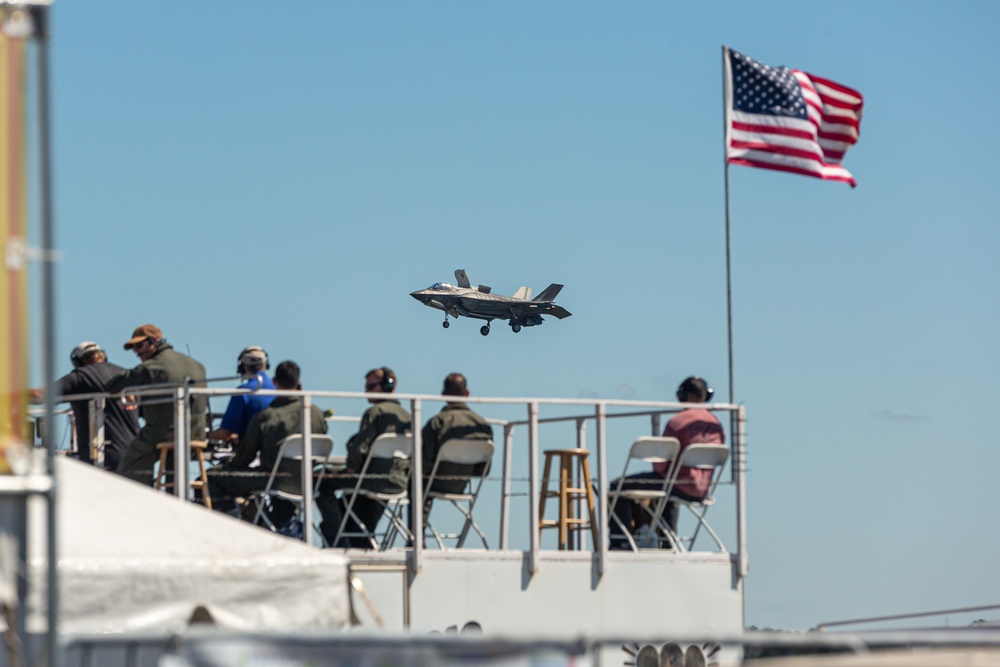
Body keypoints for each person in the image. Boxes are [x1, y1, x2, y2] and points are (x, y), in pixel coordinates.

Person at [608, 376, 726, 549]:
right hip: (703, 489)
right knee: (667, 490)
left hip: (677, 485)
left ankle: (621, 542)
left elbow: (661, 464)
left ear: (683, 396)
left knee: (617, 486)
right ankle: (667, 542)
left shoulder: (677, 422)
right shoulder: (716, 424)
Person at [208, 360, 327, 529]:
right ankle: (270, 523)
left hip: (272, 480)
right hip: (304, 481)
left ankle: (230, 527)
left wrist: (231, 462)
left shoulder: (267, 416)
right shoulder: (316, 414)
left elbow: (244, 459)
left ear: (275, 382)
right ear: (298, 382)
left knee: (212, 477)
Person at [316, 367, 411, 548]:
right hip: (396, 482)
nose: (366, 391)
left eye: (371, 386)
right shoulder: (408, 416)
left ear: (386, 386)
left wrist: (351, 467)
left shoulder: (373, 413)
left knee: (320, 481)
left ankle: (336, 537)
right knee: (352, 496)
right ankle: (353, 534)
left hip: (370, 480)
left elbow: (360, 450)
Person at [106, 324, 208, 485]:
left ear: (155, 341)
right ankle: (174, 503)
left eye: (139, 345)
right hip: (196, 432)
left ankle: (141, 505)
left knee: (130, 466)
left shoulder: (151, 367)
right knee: (174, 475)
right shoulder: (197, 365)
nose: (137, 352)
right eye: (134, 348)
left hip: (164, 432)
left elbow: (113, 387)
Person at [29, 341, 139, 471]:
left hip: (104, 457)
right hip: (136, 453)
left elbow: (41, 395)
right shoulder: (126, 375)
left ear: (78, 361)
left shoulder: (81, 376)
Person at [417, 372, 493, 522]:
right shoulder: (482, 425)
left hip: (435, 484)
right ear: (467, 393)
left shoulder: (436, 423)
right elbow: (483, 469)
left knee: (416, 482)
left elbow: (424, 462)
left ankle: (417, 534)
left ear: (443, 394)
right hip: (462, 485)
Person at [207, 346, 275, 445]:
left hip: (253, 454)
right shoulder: (280, 389)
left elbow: (225, 433)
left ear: (242, 367)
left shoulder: (243, 392)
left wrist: (206, 435)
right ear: (266, 365)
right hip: (277, 452)